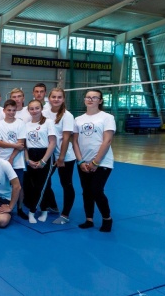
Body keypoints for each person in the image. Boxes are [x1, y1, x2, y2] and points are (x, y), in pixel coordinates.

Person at [73, 89, 115, 232]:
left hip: (102, 162)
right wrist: (80, 162)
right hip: (83, 162)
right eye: (88, 97)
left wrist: (96, 162)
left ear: (100, 101)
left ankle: (107, 218)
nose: (90, 100)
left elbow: (107, 141)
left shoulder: (107, 117)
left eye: (94, 97)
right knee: (86, 191)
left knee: (96, 190)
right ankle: (89, 219)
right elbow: (75, 142)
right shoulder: (78, 119)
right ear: (84, 100)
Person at [44, 88, 77, 224]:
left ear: (63, 99)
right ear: (49, 98)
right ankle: (52, 205)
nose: (56, 99)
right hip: (49, 155)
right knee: (43, 181)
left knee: (66, 184)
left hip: (65, 156)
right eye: (54, 97)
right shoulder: (44, 113)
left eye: (59, 97)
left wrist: (61, 157)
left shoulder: (67, 115)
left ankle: (65, 215)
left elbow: (66, 138)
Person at [23, 99, 57, 224]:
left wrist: (44, 160)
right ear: (28, 110)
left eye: (37, 108)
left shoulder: (48, 122)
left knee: (41, 185)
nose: (34, 111)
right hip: (31, 154)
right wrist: (28, 160)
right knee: (34, 185)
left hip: (45, 154)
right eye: (31, 109)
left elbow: (52, 142)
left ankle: (32, 211)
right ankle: (44, 208)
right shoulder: (26, 125)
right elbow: (24, 145)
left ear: (41, 109)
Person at [0, 99, 28, 219]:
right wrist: (14, 145)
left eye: (13, 110)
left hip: (17, 160)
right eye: (9, 110)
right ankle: (3, 205)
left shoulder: (20, 123)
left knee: (19, 185)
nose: (11, 112)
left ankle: (20, 208)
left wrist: (12, 158)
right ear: (4, 110)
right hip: (3, 159)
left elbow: (21, 144)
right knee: (4, 185)